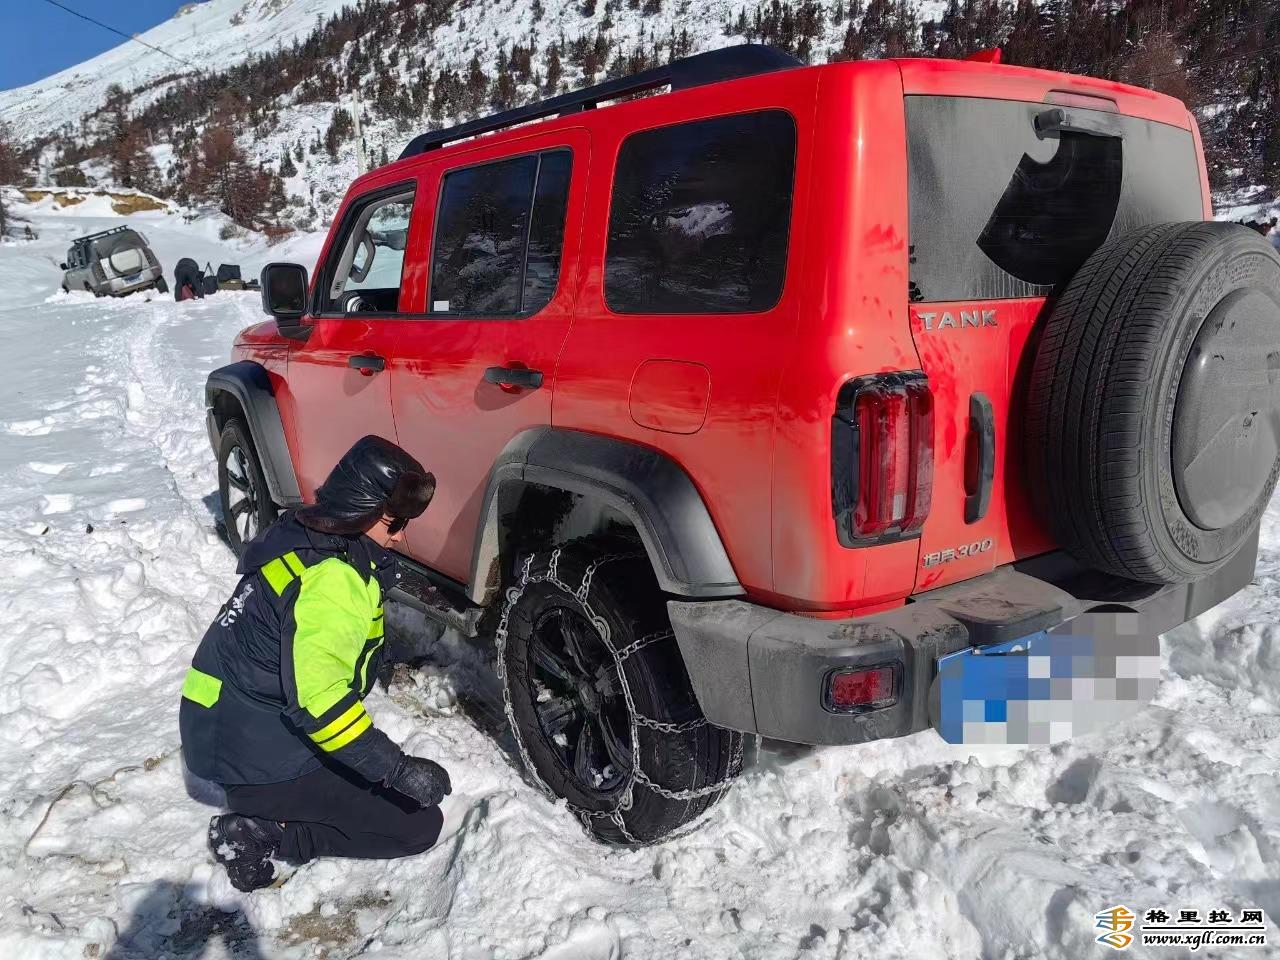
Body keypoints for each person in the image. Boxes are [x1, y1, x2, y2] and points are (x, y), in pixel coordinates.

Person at [180, 435, 451, 891]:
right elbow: (320, 705)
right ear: (360, 510)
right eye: (393, 522)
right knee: (417, 825)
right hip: (253, 759)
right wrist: (396, 769)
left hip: (223, 726)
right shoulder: (333, 580)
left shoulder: (308, 535)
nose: (400, 534)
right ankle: (261, 832)